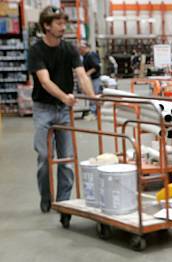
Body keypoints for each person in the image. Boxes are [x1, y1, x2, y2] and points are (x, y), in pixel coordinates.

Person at [28, 6, 95, 214]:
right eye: (58, 23)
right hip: (43, 109)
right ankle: (46, 197)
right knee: (45, 158)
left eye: (63, 23)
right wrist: (65, 97)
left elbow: (82, 75)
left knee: (66, 158)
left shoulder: (70, 49)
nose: (63, 27)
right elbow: (45, 82)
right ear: (46, 26)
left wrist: (94, 99)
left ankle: (64, 203)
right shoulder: (36, 51)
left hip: (63, 111)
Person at [78, 40, 102, 117]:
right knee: (91, 95)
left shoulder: (91, 55)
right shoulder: (85, 57)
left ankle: (94, 112)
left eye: (80, 48)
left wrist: (87, 74)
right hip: (90, 79)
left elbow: (96, 66)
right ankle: (93, 111)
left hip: (94, 79)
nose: (79, 50)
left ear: (85, 48)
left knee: (94, 95)